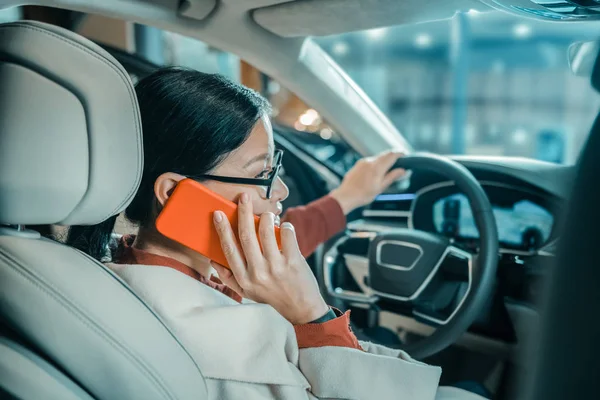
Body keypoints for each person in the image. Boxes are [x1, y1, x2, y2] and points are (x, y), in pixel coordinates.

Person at [67, 67, 485, 400]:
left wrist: (344, 200)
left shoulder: (114, 265)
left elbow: (282, 233)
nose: (280, 190)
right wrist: (311, 315)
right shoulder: (227, 349)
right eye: (262, 174)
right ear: (176, 192)